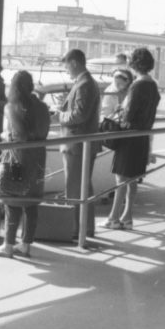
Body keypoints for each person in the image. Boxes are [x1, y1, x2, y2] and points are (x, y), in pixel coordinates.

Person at [0, 70, 50, 259]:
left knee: (12, 202)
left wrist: (5, 136)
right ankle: (25, 245)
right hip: (38, 158)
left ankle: (8, 245)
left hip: (18, 159)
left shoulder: (12, 107)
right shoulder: (42, 107)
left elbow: (19, 135)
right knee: (31, 203)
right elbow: (42, 131)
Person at [104, 47, 160, 230]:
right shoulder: (152, 85)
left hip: (130, 137)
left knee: (121, 178)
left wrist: (121, 106)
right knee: (133, 179)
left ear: (134, 63)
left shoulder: (137, 85)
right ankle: (127, 216)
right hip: (143, 136)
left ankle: (113, 217)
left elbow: (128, 116)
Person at [57, 48, 101, 238]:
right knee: (82, 187)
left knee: (75, 189)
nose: (66, 70)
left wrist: (60, 115)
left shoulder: (84, 84)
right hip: (80, 145)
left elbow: (79, 115)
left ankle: (76, 230)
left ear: (74, 63)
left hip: (76, 145)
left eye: (66, 66)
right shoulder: (85, 83)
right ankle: (85, 228)